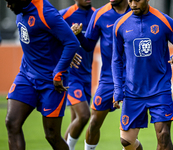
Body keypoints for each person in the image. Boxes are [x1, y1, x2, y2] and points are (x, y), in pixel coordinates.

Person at [112, 0, 173, 150]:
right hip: (132, 91)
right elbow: (116, 60)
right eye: (130, 0)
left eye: (137, 0)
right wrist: (117, 89)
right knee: (126, 141)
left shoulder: (164, 21)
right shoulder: (120, 25)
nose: (133, 4)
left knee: (163, 136)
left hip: (159, 89)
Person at [4, 0, 80, 149]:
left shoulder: (46, 12)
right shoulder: (19, 9)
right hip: (26, 74)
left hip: (51, 82)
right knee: (12, 123)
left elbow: (71, 43)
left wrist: (59, 71)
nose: (8, 5)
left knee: (51, 135)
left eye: (10, 1)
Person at [70, 0, 143, 150]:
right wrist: (78, 36)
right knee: (94, 122)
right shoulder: (100, 14)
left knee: (127, 141)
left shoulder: (137, 11)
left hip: (134, 80)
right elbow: (89, 45)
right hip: (108, 79)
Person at [59, 1, 95, 150]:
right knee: (84, 115)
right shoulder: (63, 16)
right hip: (71, 75)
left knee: (77, 120)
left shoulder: (96, 15)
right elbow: (50, 40)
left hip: (87, 75)